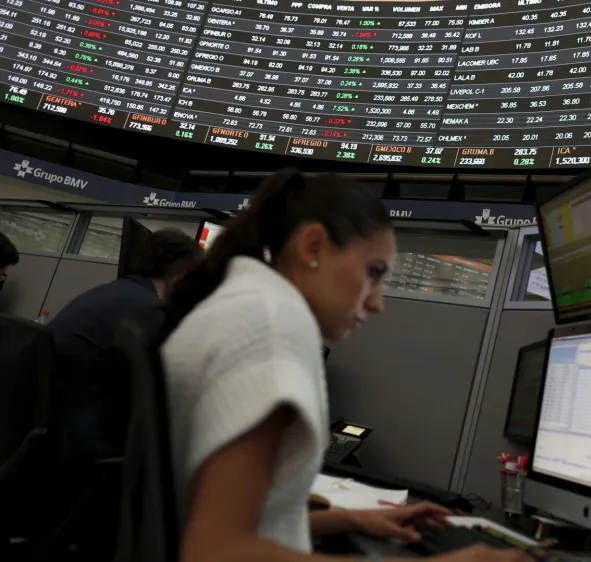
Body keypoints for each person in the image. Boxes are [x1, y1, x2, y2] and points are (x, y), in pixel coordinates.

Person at [161, 169, 529, 562]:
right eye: (374, 273)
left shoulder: (245, 306)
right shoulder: (270, 328)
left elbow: (240, 519)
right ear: (313, 246)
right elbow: (215, 551)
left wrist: (352, 519)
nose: (377, 302)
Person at [49, 227, 202, 464]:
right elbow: (165, 390)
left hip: (56, 431)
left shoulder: (113, 293)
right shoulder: (149, 311)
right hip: (89, 452)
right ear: (180, 275)